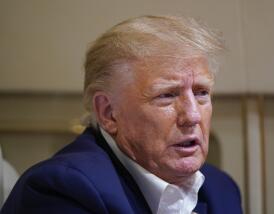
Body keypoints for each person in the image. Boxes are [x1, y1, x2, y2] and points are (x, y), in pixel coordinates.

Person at [1, 15, 242, 214]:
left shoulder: (222, 189)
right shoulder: (61, 191)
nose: (192, 116)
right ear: (108, 113)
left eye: (201, 93)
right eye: (166, 95)